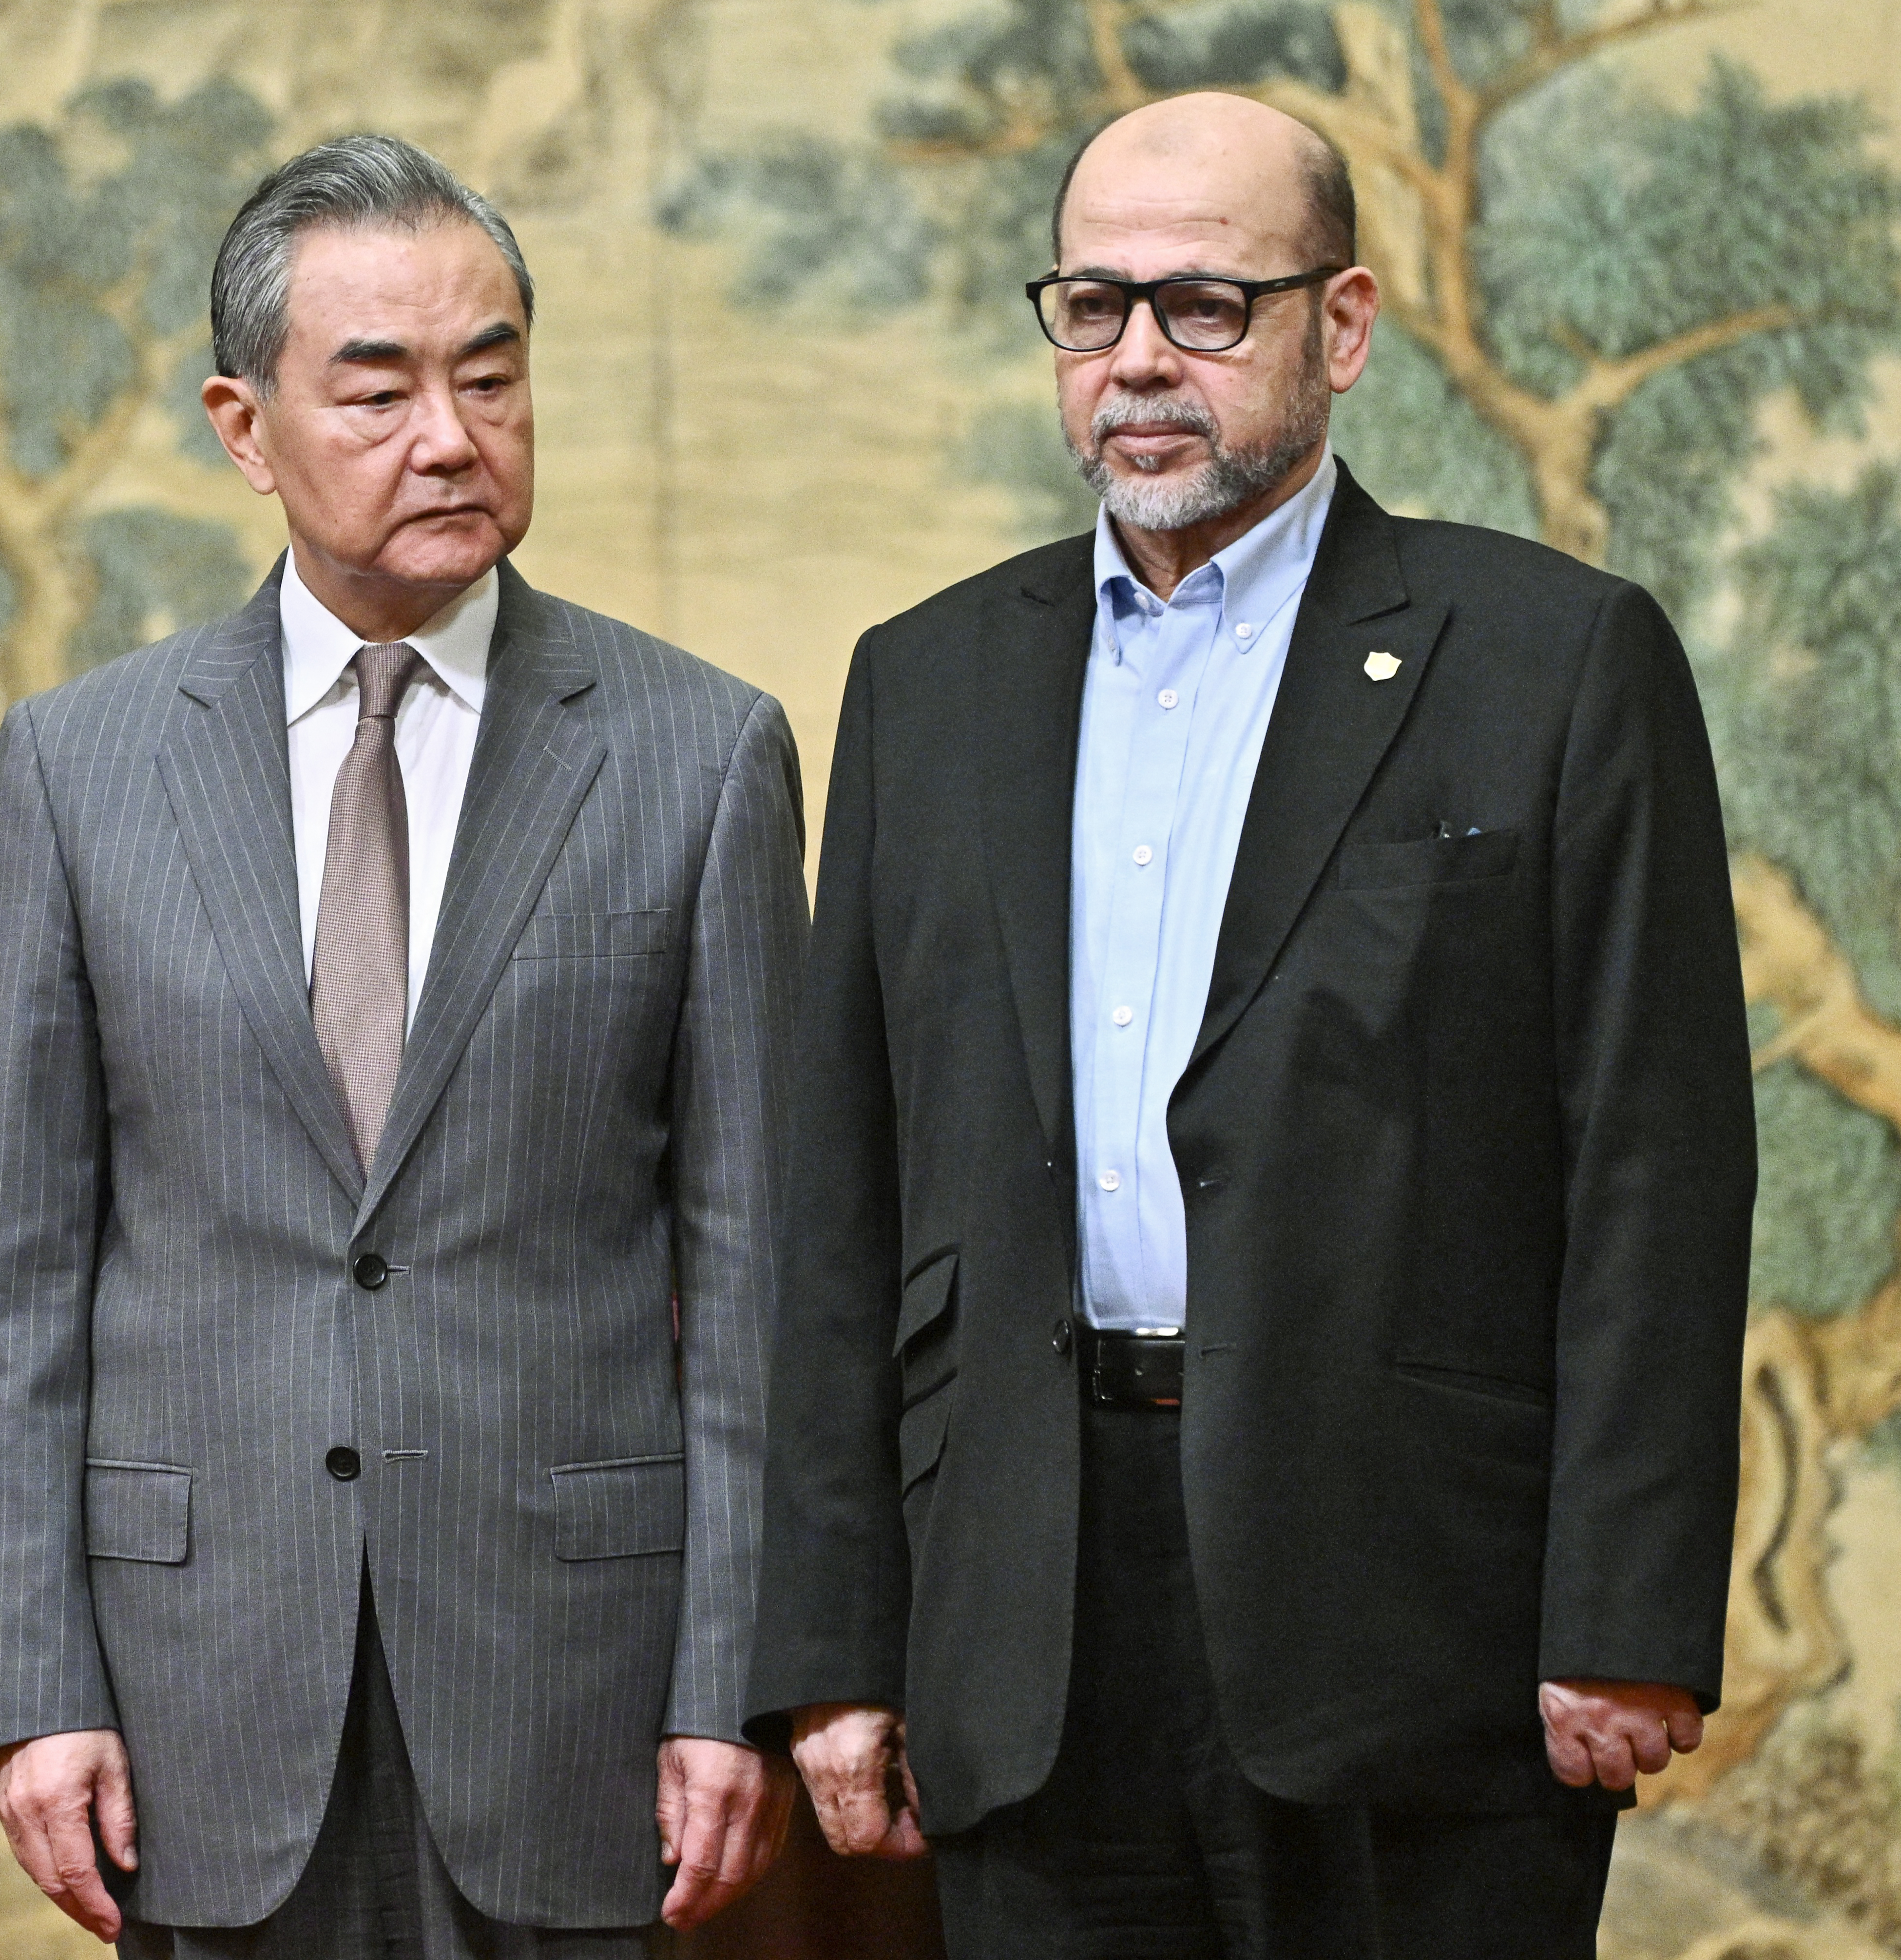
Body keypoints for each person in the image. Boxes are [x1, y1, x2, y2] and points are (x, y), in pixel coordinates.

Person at [748, 92, 1755, 1958]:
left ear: (1342, 326)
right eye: (1091, 306)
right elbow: (844, 1198)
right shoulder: (928, 681)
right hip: (1026, 1617)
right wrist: (829, 1644)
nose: (1137, 360)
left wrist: (1623, 1611)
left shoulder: (1550, 659)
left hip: (1415, 1627)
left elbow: (1655, 1167)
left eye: (1204, 306)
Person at [0, 135, 804, 1959]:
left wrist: (729, 1685)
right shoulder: (80, 766)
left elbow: (751, 1279)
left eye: (489, 379)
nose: (449, 435)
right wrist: (33, 1687)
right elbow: (14, 1276)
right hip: (195, 1686)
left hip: (575, 1674)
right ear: (243, 428)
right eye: (380, 386)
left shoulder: (698, 753)